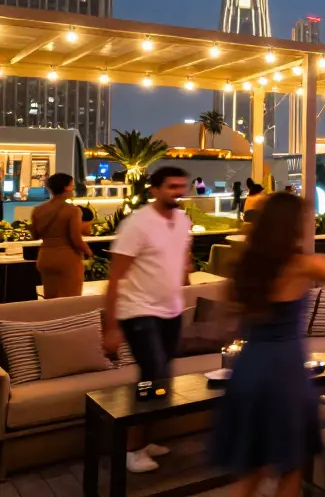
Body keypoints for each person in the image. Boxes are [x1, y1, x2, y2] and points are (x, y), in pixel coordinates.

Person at [212, 193, 325, 497]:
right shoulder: (301, 265)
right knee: (291, 465)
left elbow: (227, 319)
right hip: (284, 372)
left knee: (253, 469)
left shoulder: (244, 266)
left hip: (249, 368)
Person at [102, 166, 193, 474]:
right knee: (152, 376)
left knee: (161, 379)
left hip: (171, 310)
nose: (178, 191)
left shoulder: (182, 220)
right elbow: (115, 278)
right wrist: (111, 326)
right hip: (138, 310)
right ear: (154, 189)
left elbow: (182, 254)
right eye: (171, 186)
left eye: (182, 186)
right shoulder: (136, 224)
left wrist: (185, 273)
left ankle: (145, 439)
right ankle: (132, 448)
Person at [31, 173, 95, 298]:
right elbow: (75, 238)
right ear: (66, 187)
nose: (73, 188)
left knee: (51, 299)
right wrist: (89, 252)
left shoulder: (38, 210)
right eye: (72, 185)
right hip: (67, 258)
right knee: (70, 300)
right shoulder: (72, 210)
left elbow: (35, 235)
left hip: (45, 257)